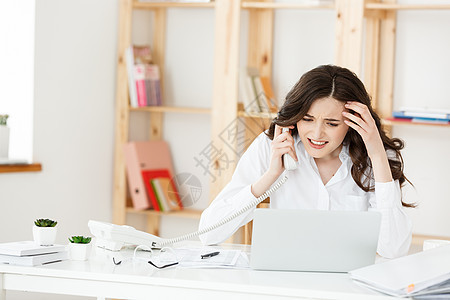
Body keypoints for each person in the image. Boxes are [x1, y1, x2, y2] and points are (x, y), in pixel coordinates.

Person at [199, 64, 413, 258]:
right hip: (285, 282)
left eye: (331, 123)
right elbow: (208, 233)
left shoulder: (375, 157)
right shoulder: (272, 146)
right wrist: (271, 175)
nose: (317, 134)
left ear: (352, 123)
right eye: (308, 119)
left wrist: (377, 155)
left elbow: (393, 248)